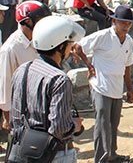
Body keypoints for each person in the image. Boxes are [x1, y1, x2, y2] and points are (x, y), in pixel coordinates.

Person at [7, 16, 84, 163]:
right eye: (69, 44)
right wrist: (75, 125)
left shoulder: (22, 70)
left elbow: (14, 117)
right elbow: (58, 129)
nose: (70, 47)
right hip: (53, 154)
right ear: (60, 47)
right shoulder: (59, 79)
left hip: (21, 150)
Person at [74, 5, 133, 163]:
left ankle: (112, 154)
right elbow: (79, 46)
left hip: (116, 88)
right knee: (102, 125)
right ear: (114, 21)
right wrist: (89, 66)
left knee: (113, 123)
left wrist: (129, 90)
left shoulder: (128, 41)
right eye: (123, 22)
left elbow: (127, 67)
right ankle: (101, 159)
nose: (126, 26)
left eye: (129, 23)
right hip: (100, 86)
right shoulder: (102, 36)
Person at [0, 1, 51, 132]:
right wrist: (8, 119)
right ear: (28, 22)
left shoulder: (40, 40)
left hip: (41, 105)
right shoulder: (11, 49)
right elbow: (5, 87)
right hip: (23, 113)